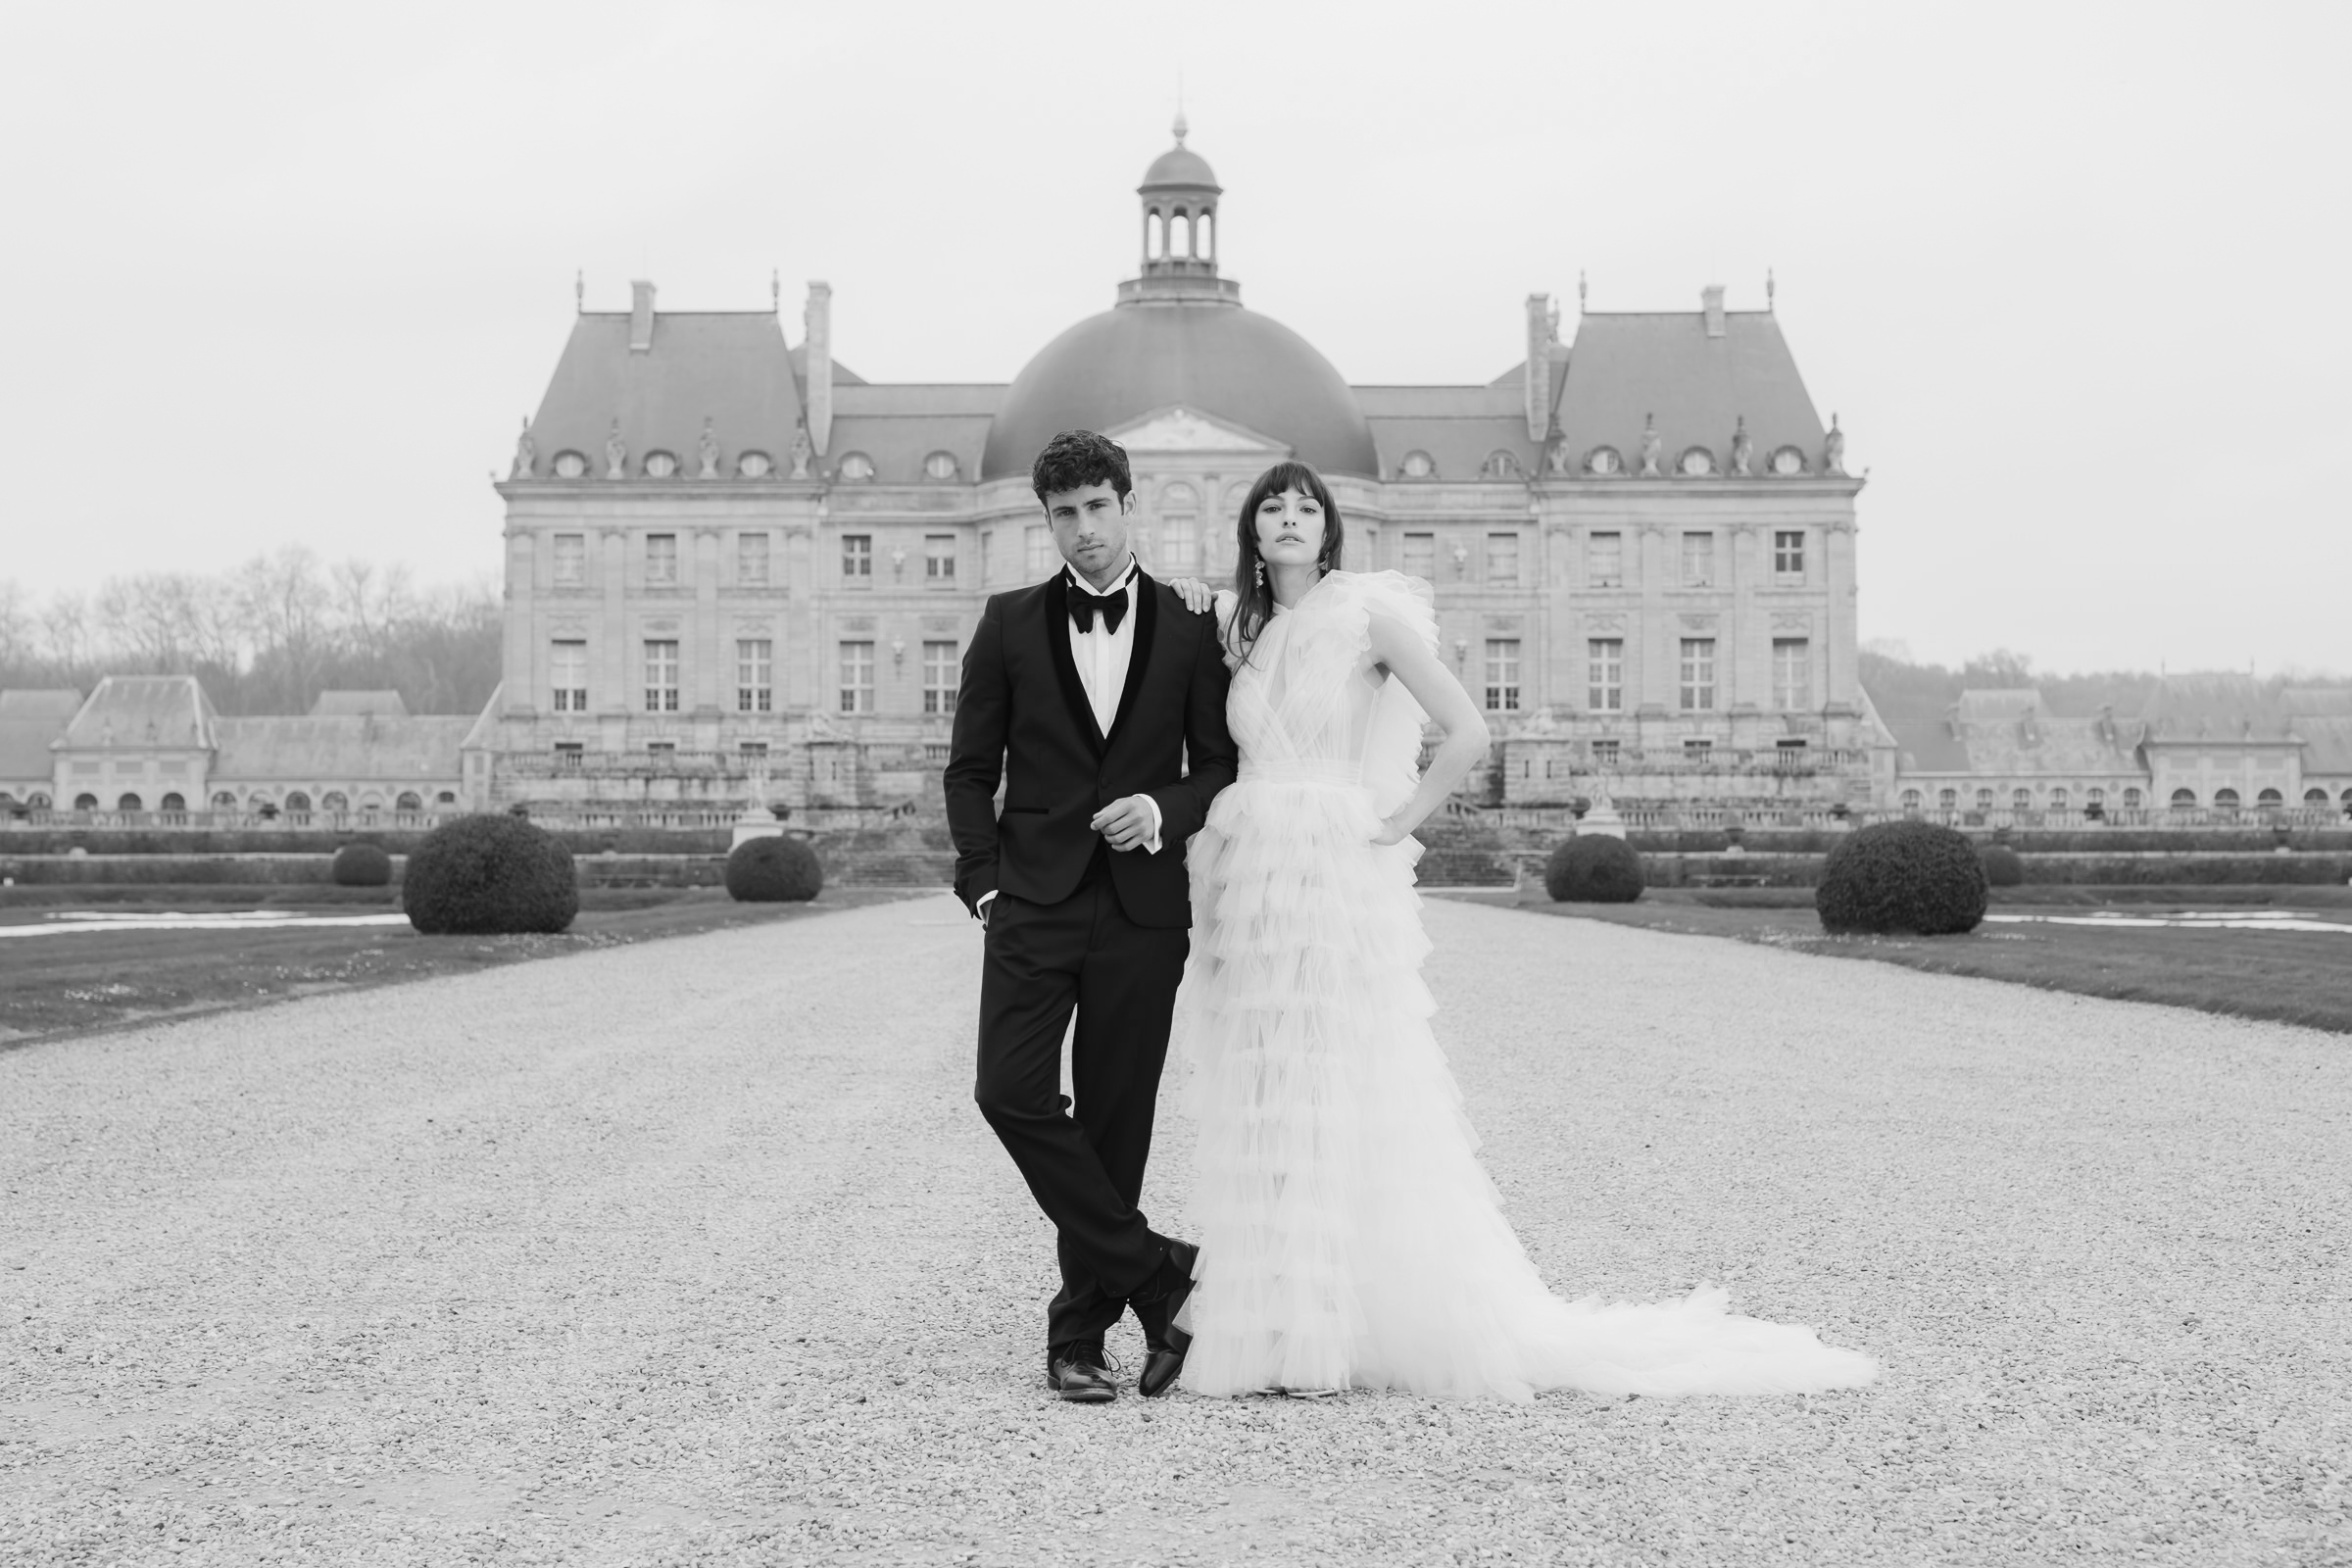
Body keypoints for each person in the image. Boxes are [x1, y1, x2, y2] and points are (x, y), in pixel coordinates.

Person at [1159, 461, 1879, 1400]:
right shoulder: (1237, 629)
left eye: (1306, 508)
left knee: (1336, 1080)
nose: (1289, 519)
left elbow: (1466, 733)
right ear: (1249, 530)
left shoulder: (1367, 618)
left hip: (1332, 868)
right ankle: (1278, 1319)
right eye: (1272, 508)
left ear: (1329, 531)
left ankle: (1333, 1327)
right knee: (1264, 1086)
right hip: (1252, 871)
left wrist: (1396, 820)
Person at [943, 429, 1238, 1403]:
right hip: (1030, 900)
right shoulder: (1009, 621)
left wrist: (1164, 810)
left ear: (1128, 503)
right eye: (1062, 514)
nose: (1082, 530)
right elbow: (971, 768)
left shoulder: (1192, 626)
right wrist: (984, 880)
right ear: (1048, 522)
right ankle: (1160, 1274)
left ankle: (1077, 1338)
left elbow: (1222, 766)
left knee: (1117, 1126)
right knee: (1008, 1090)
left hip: (1144, 907)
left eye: (1096, 508)